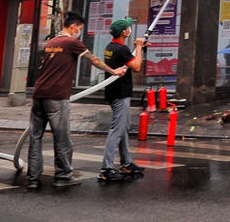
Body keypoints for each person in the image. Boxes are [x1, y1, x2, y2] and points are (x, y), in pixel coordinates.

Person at [27, 11, 126, 190]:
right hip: (57, 97)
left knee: (35, 137)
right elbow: (93, 60)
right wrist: (114, 71)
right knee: (62, 138)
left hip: (38, 94)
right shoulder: (72, 42)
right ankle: (63, 176)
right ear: (72, 27)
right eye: (79, 28)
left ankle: (33, 178)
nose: (79, 32)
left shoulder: (50, 43)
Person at [100, 18, 145, 182]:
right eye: (128, 27)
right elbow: (137, 66)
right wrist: (139, 47)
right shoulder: (121, 48)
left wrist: (139, 49)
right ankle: (106, 168)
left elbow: (129, 60)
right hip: (120, 94)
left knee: (123, 128)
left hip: (114, 93)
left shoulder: (110, 47)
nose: (130, 29)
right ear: (124, 32)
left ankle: (126, 163)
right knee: (117, 130)